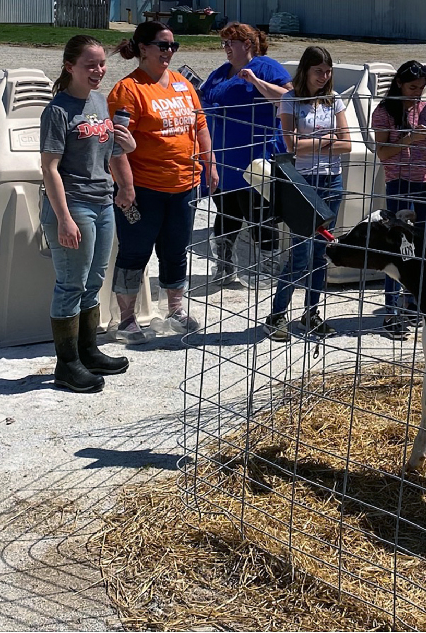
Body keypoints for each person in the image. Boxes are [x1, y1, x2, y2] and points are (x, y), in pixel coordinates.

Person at [36, 35, 134, 392]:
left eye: (101, 64)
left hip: (102, 201)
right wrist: (63, 218)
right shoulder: (58, 110)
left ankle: (88, 351)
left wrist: (126, 178)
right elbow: (50, 168)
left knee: (93, 282)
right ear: (70, 67)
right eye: (90, 65)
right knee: (70, 285)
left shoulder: (100, 101)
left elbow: (108, 152)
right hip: (73, 204)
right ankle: (67, 365)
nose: (98, 71)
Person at [107, 20, 215, 343]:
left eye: (173, 46)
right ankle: (127, 320)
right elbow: (116, 144)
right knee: (134, 253)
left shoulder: (183, 85)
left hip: (184, 185)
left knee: (176, 250)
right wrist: (125, 187)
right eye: (163, 45)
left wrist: (210, 164)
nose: (169, 52)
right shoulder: (128, 89)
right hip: (143, 188)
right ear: (143, 49)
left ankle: (175, 311)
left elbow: (200, 127)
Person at [242, 45, 357, 340]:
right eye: (318, 70)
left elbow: (349, 144)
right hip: (303, 182)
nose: (324, 76)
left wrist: (315, 141)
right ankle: (277, 314)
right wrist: (328, 140)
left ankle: (311, 312)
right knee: (299, 254)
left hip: (332, 180)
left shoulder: (334, 101)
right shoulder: (290, 100)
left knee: (321, 253)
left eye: (328, 71)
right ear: (305, 70)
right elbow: (292, 145)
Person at [196, 22, 290, 290]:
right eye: (223, 43)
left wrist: (256, 82)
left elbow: (290, 98)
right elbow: (204, 97)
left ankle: (267, 270)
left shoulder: (267, 67)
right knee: (226, 214)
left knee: (259, 216)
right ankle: (225, 267)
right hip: (223, 159)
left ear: (247, 44)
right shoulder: (221, 72)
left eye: (230, 43)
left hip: (255, 160)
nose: (225, 48)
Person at [369, 60, 426, 337]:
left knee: (420, 246)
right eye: (412, 87)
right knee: (398, 246)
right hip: (398, 182)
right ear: (399, 83)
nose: (417, 93)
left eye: (421, 88)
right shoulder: (384, 112)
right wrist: (409, 139)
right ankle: (390, 310)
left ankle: (413, 303)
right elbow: (382, 153)